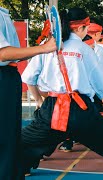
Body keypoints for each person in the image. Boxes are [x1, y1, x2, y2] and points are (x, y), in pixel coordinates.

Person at [20, 8, 103, 179]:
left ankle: (20, 169)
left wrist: (39, 100)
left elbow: (29, 78)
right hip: (80, 112)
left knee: (17, 144)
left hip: (51, 111)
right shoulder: (84, 49)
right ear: (80, 28)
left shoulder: (46, 45)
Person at [0, 6, 57, 180]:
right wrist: (43, 48)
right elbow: (2, 54)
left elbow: (14, 55)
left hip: (9, 77)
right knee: (5, 138)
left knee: (11, 137)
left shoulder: (4, 13)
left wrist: (42, 46)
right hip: (3, 78)